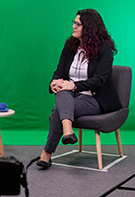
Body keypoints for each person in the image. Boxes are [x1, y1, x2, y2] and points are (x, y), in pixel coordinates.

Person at [36, 9, 121, 169]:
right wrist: (53, 82)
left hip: (96, 99)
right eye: (73, 23)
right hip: (70, 96)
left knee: (57, 110)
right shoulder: (70, 45)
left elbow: (99, 80)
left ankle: (47, 153)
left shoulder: (104, 49)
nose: (73, 26)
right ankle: (67, 129)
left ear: (89, 27)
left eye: (78, 24)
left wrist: (73, 85)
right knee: (62, 90)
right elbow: (59, 71)